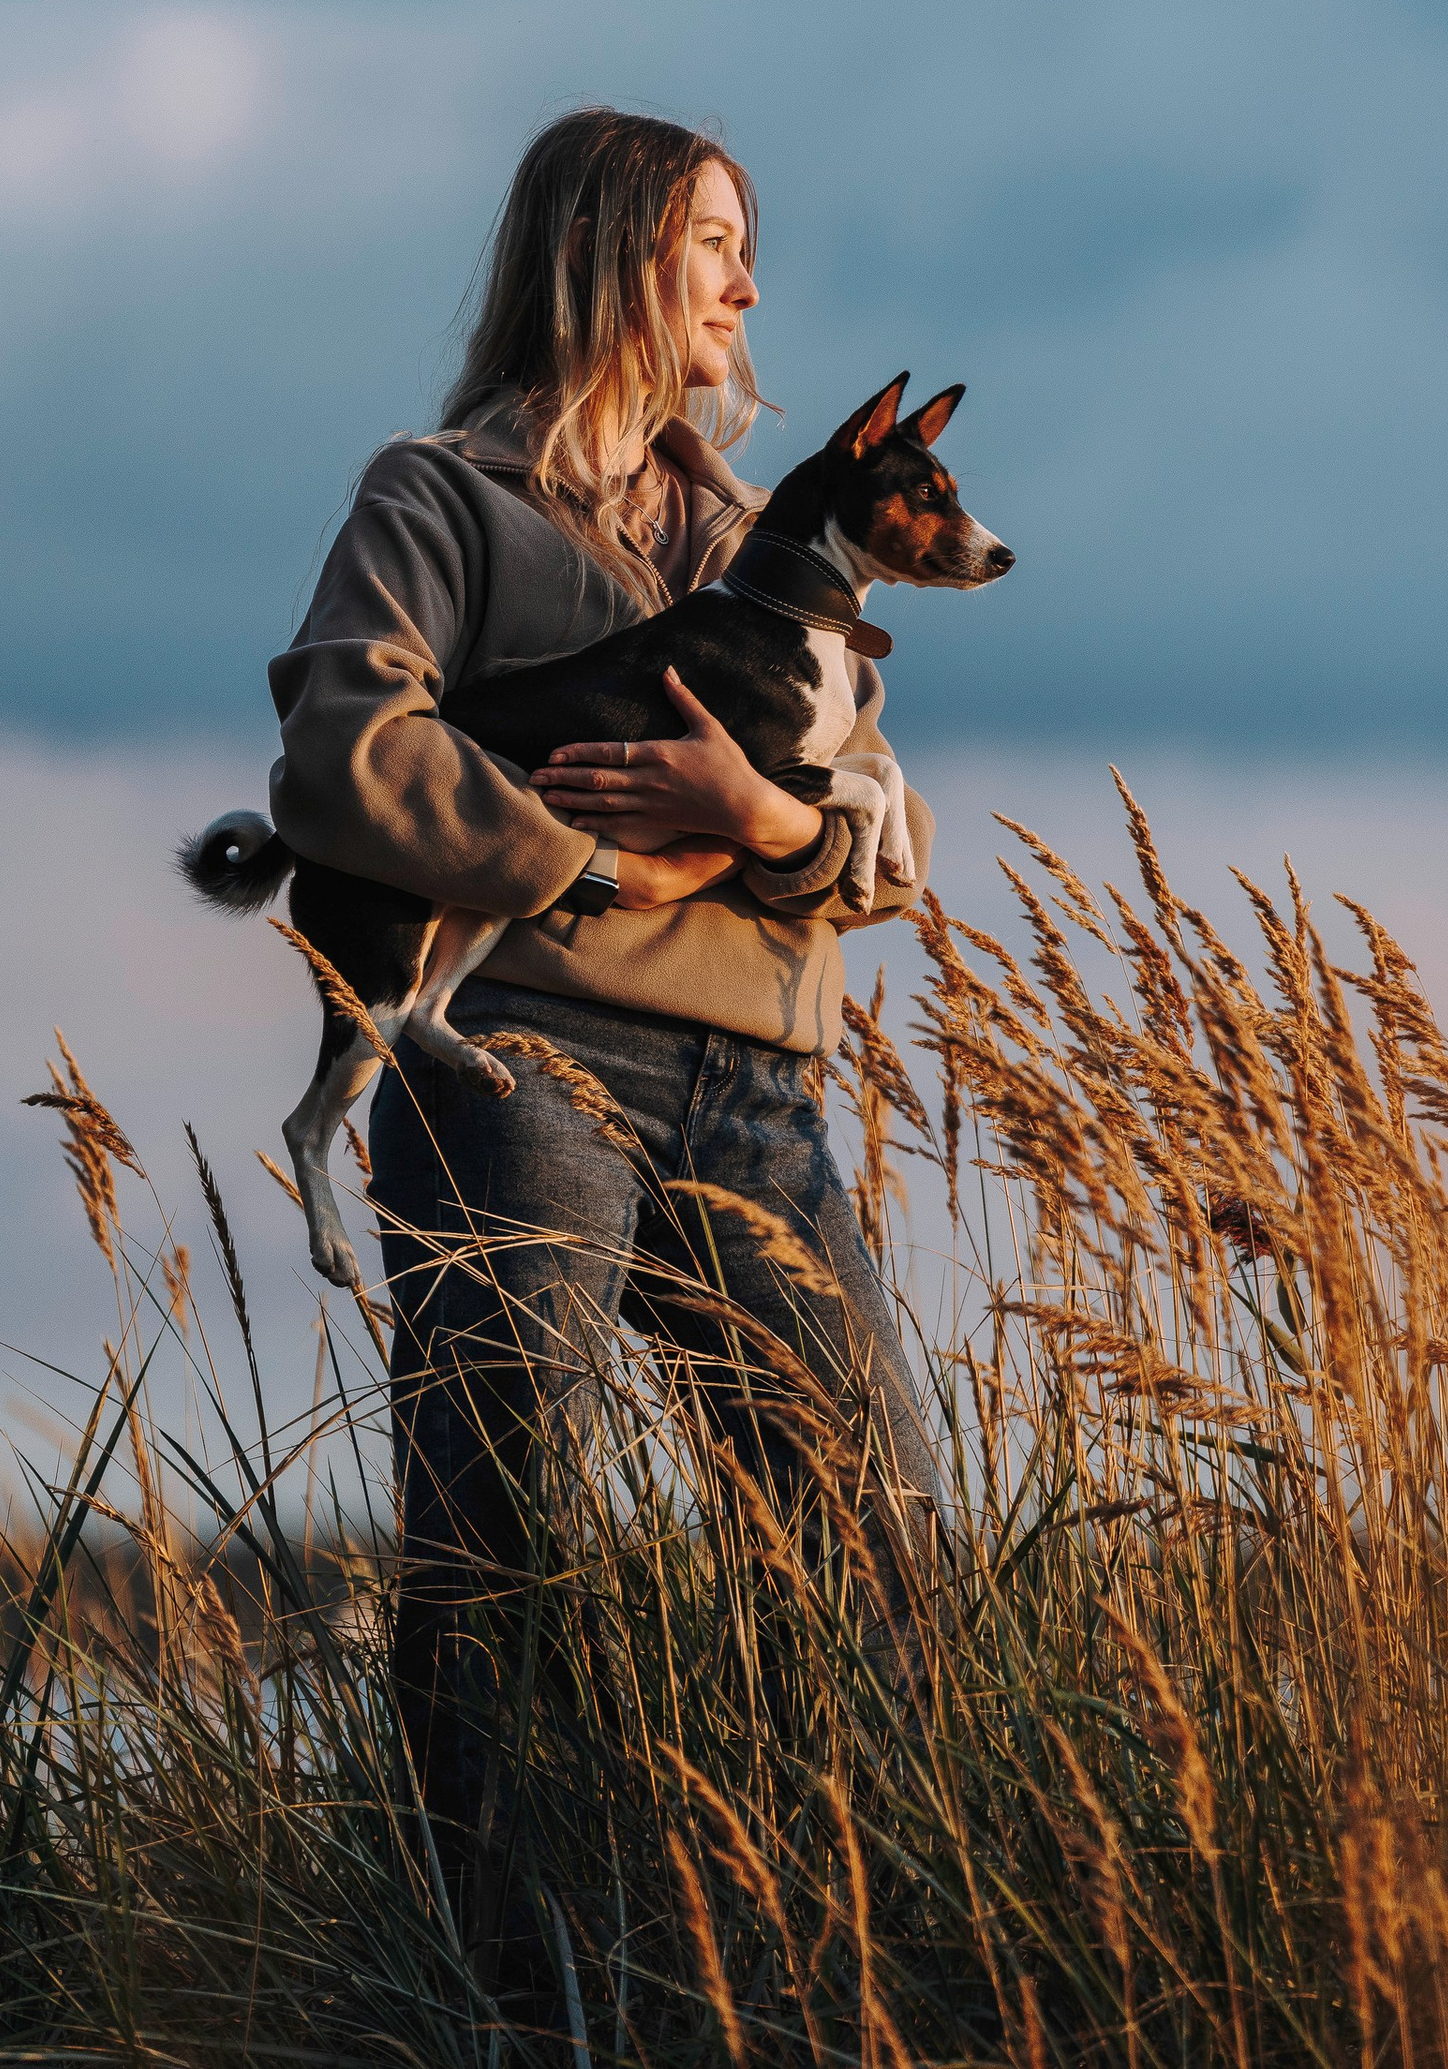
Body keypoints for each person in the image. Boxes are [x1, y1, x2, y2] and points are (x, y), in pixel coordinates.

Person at [263, 107, 943, 1993]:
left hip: (760, 1092)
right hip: (515, 1066)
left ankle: (835, 1979)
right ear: (606, 256)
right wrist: (587, 863)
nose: (749, 286)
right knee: (505, 1537)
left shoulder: (767, 536)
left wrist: (762, 816)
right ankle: (506, 1999)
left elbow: (891, 838)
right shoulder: (438, 496)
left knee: (872, 1522)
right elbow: (343, 749)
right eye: (713, 242)